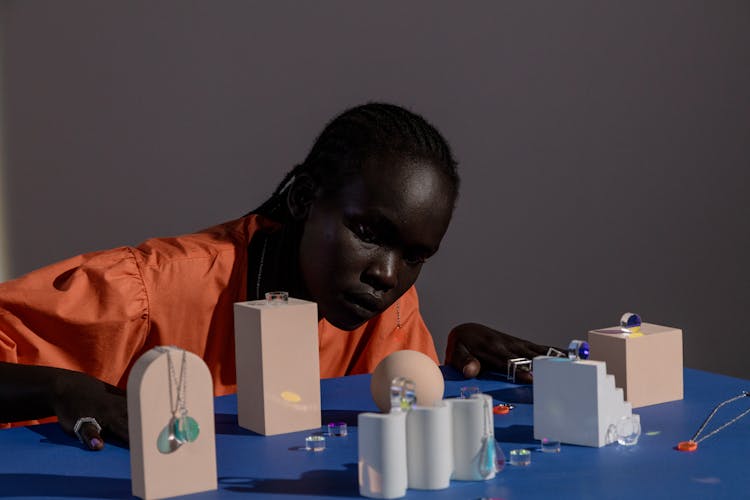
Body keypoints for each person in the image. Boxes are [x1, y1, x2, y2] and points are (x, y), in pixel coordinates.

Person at [0, 102, 551, 450]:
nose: (387, 274)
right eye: (369, 232)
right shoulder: (148, 289)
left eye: (416, 255)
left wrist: (454, 370)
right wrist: (59, 386)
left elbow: (406, 417)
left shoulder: (382, 309)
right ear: (306, 198)